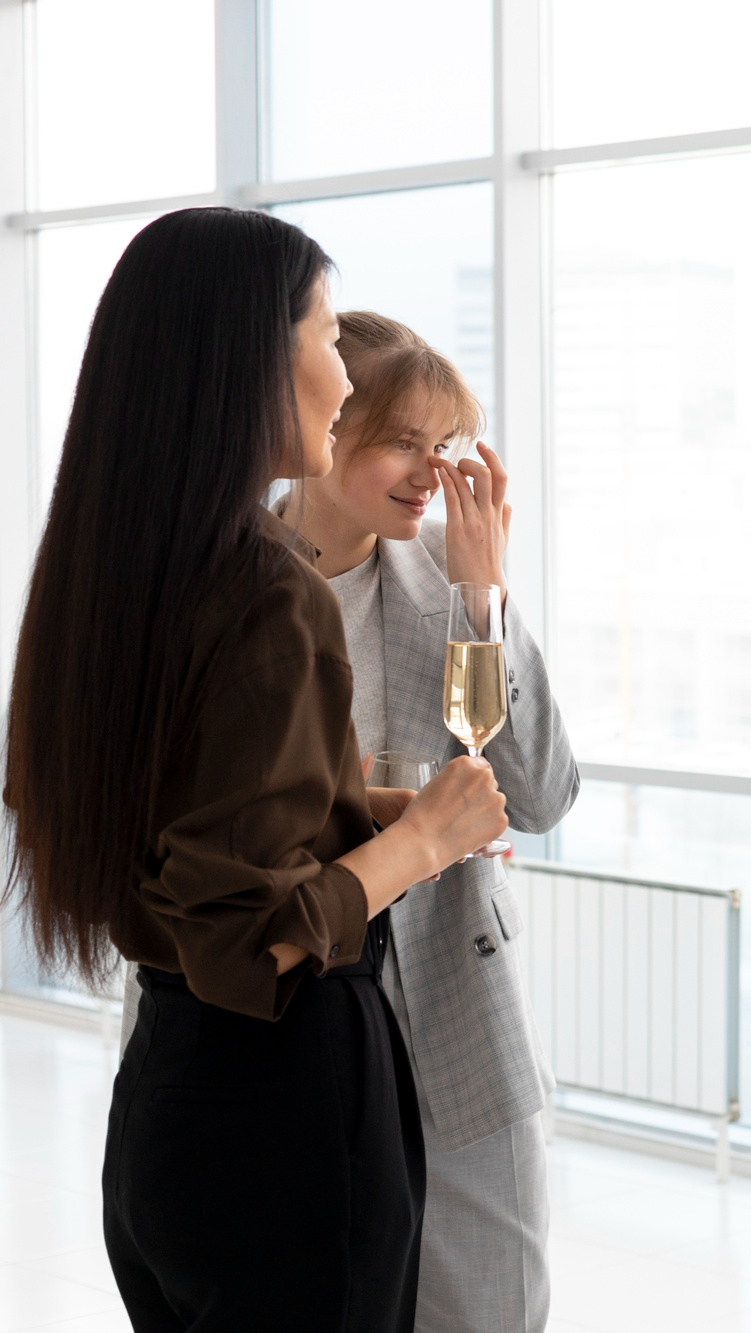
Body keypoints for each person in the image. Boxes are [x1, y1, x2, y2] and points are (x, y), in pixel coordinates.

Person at [2, 208, 508, 1331]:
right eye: (328, 336)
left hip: (165, 1104)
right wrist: (417, 843)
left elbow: (172, 823)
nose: (342, 373)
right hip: (284, 1110)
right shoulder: (264, 588)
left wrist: (365, 807)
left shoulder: (107, 567)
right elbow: (248, 937)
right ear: (252, 358)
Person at [280, 311, 576, 1332]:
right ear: (322, 425)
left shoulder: (446, 578)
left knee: (489, 1305)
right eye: (405, 439)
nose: (431, 470)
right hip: (287, 1009)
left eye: (444, 443)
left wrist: (481, 600)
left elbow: (534, 791)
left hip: (452, 1009)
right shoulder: (228, 581)